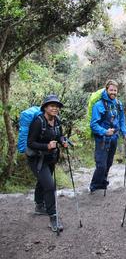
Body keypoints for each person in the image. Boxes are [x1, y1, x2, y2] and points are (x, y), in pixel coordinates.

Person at [27, 95, 68, 232]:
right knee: (50, 186)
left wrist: (63, 141)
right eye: (52, 105)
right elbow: (30, 143)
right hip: (37, 159)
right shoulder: (38, 122)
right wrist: (47, 146)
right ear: (45, 107)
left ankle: (39, 206)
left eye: (57, 106)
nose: (55, 108)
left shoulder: (57, 121)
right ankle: (53, 218)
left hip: (50, 158)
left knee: (43, 181)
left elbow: (59, 135)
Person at [89, 80, 126, 193]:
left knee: (109, 162)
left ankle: (103, 183)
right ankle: (94, 186)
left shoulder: (118, 104)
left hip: (114, 138)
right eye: (111, 90)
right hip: (102, 139)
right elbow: (94, 125)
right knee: (101, 164)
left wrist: (125, 133)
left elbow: (121, 120)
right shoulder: (99, 105)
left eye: (115, 90)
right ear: (106, 89)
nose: (113, 92)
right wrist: (105, 131)